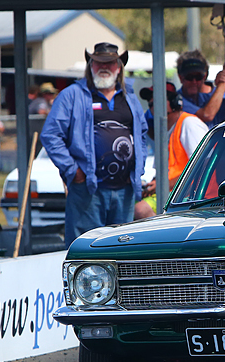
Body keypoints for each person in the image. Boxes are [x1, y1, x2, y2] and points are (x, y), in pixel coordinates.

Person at [41, 42, 148, 247]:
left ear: (119, 67)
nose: (104, 67)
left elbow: (141, 134)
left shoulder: (130, 97)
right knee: (86, 250)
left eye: (110, 63)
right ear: (90, 65)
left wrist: (137, 168)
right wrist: (72, 170)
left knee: (120, 252)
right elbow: (51, 135)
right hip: (88, 191)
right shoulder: (72, 95)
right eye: (99, 62)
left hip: (124, 192)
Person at [134, 82, 208, 220]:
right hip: (171, 192)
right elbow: (163, 172)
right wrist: (153, 185)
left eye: (157, 102)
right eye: (150, 104)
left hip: (190, 196)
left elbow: (202, 166)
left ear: (174, 103)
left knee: (140, 210)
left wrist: (163, 184)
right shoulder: (165, 132)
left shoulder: (189, 123)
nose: (152, 108)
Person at [176, 51, 225, 128]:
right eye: (189, 77)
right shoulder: (177, 100)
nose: (194, 82)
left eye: (198, 77)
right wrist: (223, 83)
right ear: (181, 78)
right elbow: (207, 115)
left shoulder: (220, 91)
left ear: (205, 76)